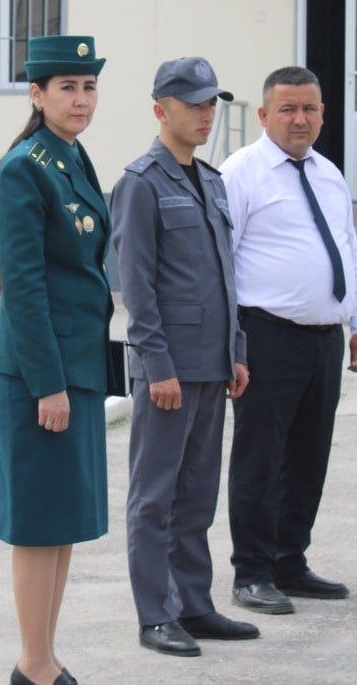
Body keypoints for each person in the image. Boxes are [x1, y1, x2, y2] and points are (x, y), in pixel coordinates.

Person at [110, 57, 258, 657]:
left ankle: (194, 606)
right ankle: (155, 615)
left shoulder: (213, 181)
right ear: (160, 110)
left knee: (197, 493)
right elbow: (135, 284)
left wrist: (237, 352)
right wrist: (158, 363)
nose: (205, 115)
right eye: (193, 104)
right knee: (155, 496)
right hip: (167, 368)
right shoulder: (140, 183)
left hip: (211, 363)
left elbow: (228, 276)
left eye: (210, 104)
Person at [219, 66, 357, 616]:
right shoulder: (241, 173)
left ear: (323, 114)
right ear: (264, 116)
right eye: (287, 109)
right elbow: (221, 262)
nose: (300, 119)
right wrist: (231, 345)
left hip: (324, 340)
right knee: (261, 459)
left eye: (310, 108)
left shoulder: (330, 175)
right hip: (266, 336)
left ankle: (291, 562)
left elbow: (348, 249)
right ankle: (253, 573)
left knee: (309, 456)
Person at [0, 35, 113, 685]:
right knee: (38, 519)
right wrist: (48, 384)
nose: (81, 98)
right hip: (41, 370)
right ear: (37, 95)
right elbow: (24, 285)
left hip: (75, 361)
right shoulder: (24, 168)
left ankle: (45, 655)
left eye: (89, 86)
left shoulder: (71, 155)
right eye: (67, 86)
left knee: (61, 514)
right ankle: (33, 664)